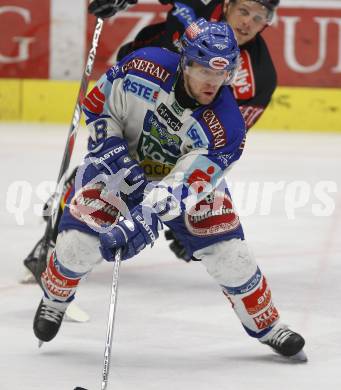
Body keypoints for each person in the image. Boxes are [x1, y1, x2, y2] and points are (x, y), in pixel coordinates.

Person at [33, 18, 306, 361]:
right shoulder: (142, 65)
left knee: (232, 256)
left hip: (179, 187)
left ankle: (269, 326)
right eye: (205, 71)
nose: (213, 82)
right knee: (76, 246)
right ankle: (54, 300)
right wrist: (113, 151)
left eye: (222, 73)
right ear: (186, 61)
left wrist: (143, 219)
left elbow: (184, 186)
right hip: (116, 169)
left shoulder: (227, 127)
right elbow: (98, 106)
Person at [22, 0, 280, 277]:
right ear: (228, 4)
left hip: (178, 140)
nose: (247, 23)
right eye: (243, 11)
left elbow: (221, 147)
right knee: (105, 169)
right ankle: (52, 243)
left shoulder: (261, 76)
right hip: (134, 99)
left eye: (258, 18)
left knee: (177, 198)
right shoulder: (195, 10)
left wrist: (182, 206)